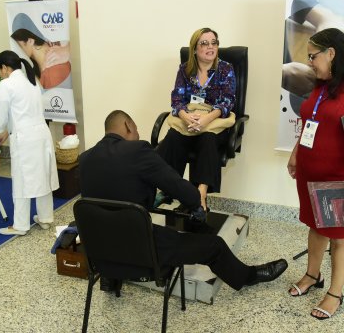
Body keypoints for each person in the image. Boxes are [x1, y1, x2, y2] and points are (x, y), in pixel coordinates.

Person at [79, 110, 288, 293]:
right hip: (143, 253)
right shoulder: (138, 151)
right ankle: (249, 276)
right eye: (136, 129)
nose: (138, 135)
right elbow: (185, 193)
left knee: (114, 222)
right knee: (214, 246)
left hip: (99, 254)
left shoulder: (84, 159)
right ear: (127, 126)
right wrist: (197, 197)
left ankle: (110, 278)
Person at [287, 28, 344, 319]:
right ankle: (312, 274)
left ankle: (335, 291)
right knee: (314, 224)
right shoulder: (322, 85)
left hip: (335, 176)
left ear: (331, 54)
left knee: (337, 235)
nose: (310, 62)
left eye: (313, 56)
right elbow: (310, 121)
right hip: (309, 172)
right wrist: (296, 153)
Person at [157, 27, 235, 209]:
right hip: (189, 120)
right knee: (173, 138)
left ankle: (200, 196)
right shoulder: (185, 70)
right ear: (194, 49)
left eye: (214, 43)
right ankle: (168, 189)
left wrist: (206, 119)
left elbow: (228, 102)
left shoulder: (225, 69)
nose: (211, 47)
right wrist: (186, 117)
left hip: (214, 122)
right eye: (204, 43)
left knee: (208, 139)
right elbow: (177, 100)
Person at [0, 50, 59, 236]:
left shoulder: (7, 84)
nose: (0, 74)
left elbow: (0, 119)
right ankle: (45, 218)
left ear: (4, 67)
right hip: (41, 134)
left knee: (21, 180)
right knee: (43, 175)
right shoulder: (32, 80)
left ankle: (20, 225)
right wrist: (6, 133)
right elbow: (21, 112)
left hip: (25, 138)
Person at [11, 13, 71, 90]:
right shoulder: (40, 67)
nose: (17, 50)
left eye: (19, 46)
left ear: (30, 41)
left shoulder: (52, 70)